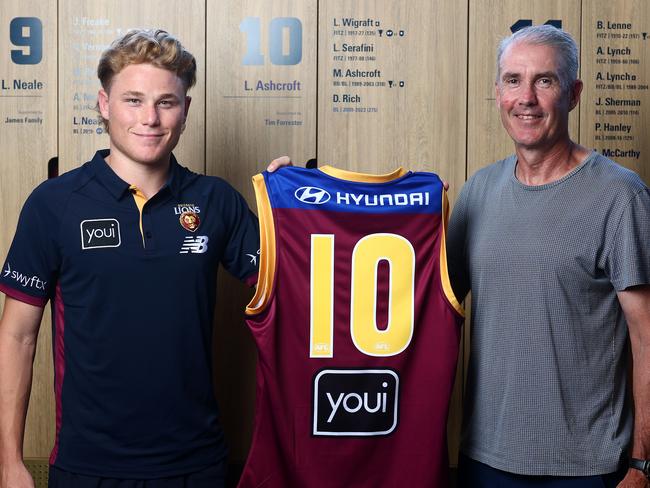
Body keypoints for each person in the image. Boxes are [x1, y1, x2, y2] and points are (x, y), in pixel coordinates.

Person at [0, 29, 288, 488]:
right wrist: (9, 461)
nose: (150, 118)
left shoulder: (216, 202)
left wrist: (289, 210)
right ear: (104, 104)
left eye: (166, 102)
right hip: (87, 467)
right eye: (133, 100)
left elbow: (295, 291)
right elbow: (16, 338)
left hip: (197, 465)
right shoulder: (53, 204)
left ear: (186, 110)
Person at [448, 25, 650, 488]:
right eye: (513, 80)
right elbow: (420, 298)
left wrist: (642, 465)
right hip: (484, 460)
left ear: (574, 93)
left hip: (587, 468)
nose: (526, 98)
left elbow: (646, 337)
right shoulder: (478, 191)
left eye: (545, 81)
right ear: (497, 92)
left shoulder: (620, 196)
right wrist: (302, 201)